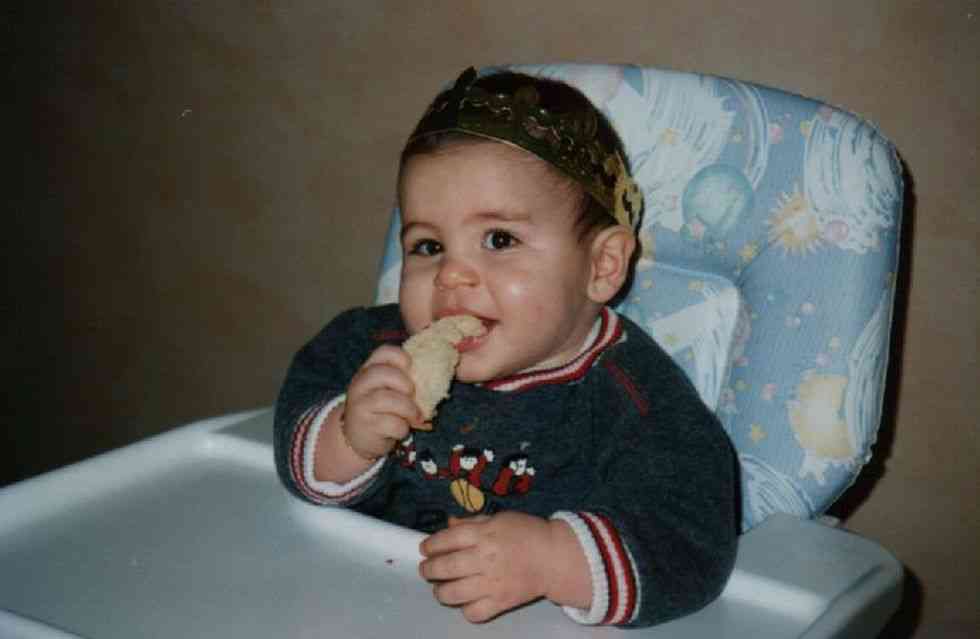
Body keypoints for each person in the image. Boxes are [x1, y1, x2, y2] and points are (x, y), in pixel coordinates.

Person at [274, 67, 737, 628]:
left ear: (601, 265)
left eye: (499, 239)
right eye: (428, 246)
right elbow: (296, 426)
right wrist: (347, 438)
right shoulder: (370, 347)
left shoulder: (636, 403)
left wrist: (552, 561)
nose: (451, 275)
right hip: (355, 605)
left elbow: (692, 542)